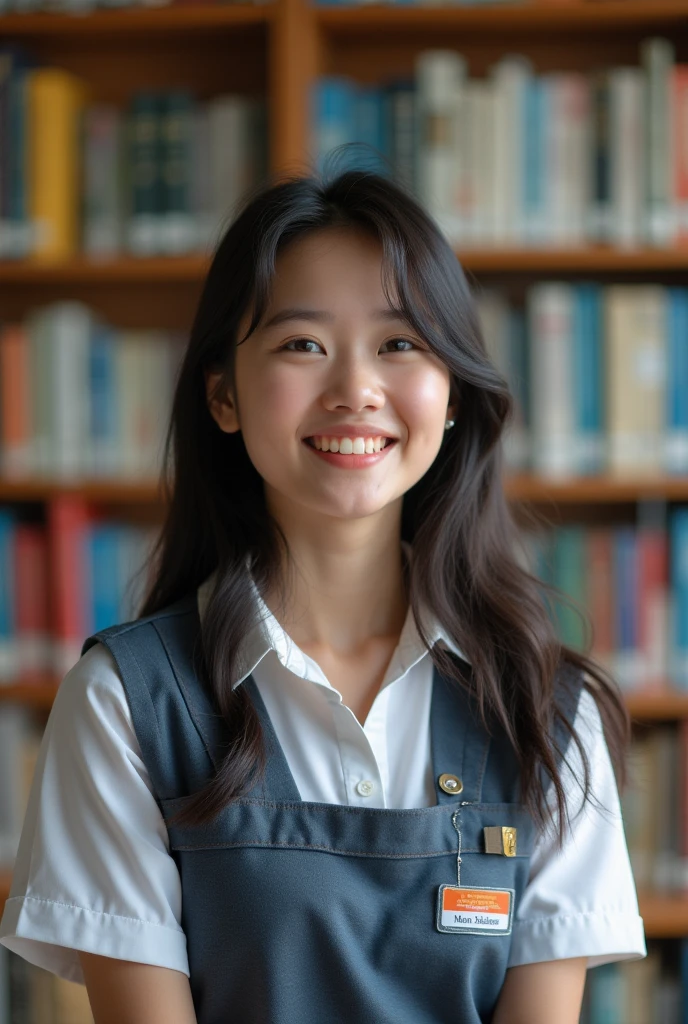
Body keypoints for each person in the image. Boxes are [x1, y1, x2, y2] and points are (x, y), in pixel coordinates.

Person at [0, 164, 645, 1023]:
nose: (355, 390)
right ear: (223, 394)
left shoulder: (547, 712)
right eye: (302, 344)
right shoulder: (126, 705)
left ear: (451, 394)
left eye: (400, 343)